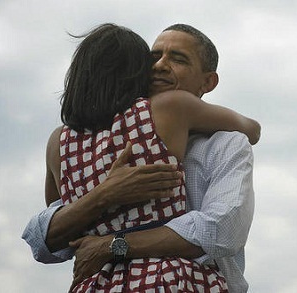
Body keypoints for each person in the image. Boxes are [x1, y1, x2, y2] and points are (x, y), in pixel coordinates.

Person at [22, 23, 260, 293]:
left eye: (178, 59)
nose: (159, 65)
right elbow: (48, 238)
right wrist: (106, 193)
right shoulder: (164, 114)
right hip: (173, 280)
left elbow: (221, 231)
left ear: (208, 81)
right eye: (153, 57)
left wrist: (111, 244)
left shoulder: (225, 144)